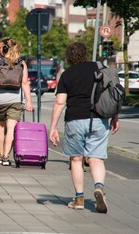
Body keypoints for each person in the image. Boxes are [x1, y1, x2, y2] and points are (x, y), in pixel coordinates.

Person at [49, 42, 119, 213]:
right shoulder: (99, 69)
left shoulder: (67, 75)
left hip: (75, 120)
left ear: (69, 57)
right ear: (85, 54)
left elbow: (60, 102)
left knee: (76, 159)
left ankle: (79, 198)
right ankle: (99, 187)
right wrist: (115, 117)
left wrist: (52, 127)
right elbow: (113, 92)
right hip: (98, 118)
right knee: (96, 159)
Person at [0, 37, 33, 166]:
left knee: (0, 126)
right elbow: (25, 84)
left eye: (0, 47)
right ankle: (6, 157)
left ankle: (0, 155)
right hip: (16, 101)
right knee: (11, 129)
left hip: (0, 100)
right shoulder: (22, 63)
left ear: (5, 48)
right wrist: (29, 101)